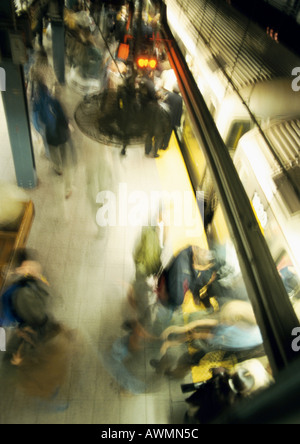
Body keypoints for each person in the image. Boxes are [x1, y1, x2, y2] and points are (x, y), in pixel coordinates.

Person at [39, 87, 74, 199]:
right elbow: (63, 119)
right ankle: (68, 189)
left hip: (51, 136)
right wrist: (67, 126)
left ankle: (58, 169)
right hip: (62, 135)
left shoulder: (39, 104)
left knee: (54, 154)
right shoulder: (55, 102)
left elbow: (41, 120)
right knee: (65, 160)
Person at [161, 85, 183, 150]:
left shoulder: (167, 94)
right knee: (168, 133)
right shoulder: (180, 99)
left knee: (162, 131)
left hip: (165, 117)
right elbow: (180, 111)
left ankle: (159, 144)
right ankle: (165, 145)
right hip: (172, 120)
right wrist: (178, 122)